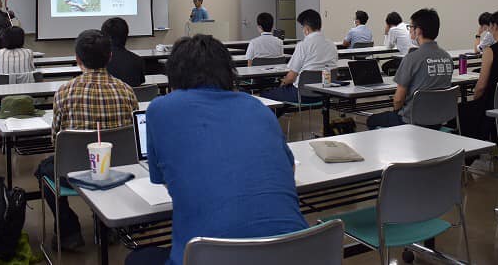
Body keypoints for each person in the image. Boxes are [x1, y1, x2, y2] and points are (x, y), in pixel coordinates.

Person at [125, 35, 307, 265]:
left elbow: (166, 183)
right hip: (299, 251)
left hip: (211, 255)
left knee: (139, 258)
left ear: (174, 75)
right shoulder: (256, 106)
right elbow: (288, 169)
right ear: (228, 72)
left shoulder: (160, 109)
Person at [35, 30, 139, 251]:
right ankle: (109, 225)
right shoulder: (127, 91)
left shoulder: (64, 92)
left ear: (78, 59)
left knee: (44, 169)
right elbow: (135, 139)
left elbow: (57, 141)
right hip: (118, 170)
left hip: (73, 172)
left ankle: (69, 232)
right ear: (110, 57)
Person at [366, 8, 453, 129]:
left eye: (411, 27)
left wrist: (396, 112)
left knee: (372, 120)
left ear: (418, 31)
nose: (410, 29)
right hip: (438, 121)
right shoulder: (447, 57)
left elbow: (398, 99)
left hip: (412, 121)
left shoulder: (412, 58)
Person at [458, 10, 498, 141]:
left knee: (461, 110)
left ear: (495, 27)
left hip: (491, 104)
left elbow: (481, 87)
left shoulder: (490, 51)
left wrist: (475, 99)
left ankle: (472, 154)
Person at [263, 9, 338, 103]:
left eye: (302, 27)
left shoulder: (303, 45)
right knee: (282, 94)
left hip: (302, 94)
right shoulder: (332, 45)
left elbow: (291, 77)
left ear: (306, 29)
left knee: (265, 95)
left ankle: (272, 117)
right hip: (326, 93)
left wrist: (283, 83)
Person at [101, 17, 146, 87]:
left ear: (105, 37)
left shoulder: (98, 62)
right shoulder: (138, 60)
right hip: (131, 97)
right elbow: (140, 85)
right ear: (126, 35)